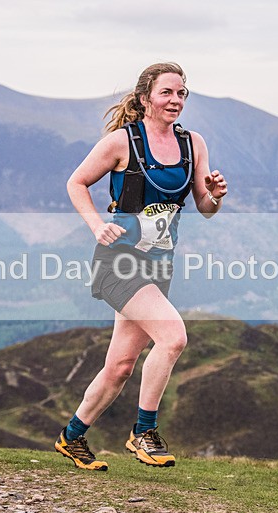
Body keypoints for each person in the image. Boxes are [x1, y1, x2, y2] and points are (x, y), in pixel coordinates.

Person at [55, 62, 228, 471]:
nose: (176, 100)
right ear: (145, 96)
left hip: (158, 265)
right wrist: (97, 225)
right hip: (120, 261)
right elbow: (76, 183)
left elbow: (204, 208)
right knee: (173, 337)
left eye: (182, 93)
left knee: (119, 368)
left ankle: (72, 437)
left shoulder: (193, 144)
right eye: (167, 92)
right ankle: (143, 432)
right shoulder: (122, 142)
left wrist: (216, 195)